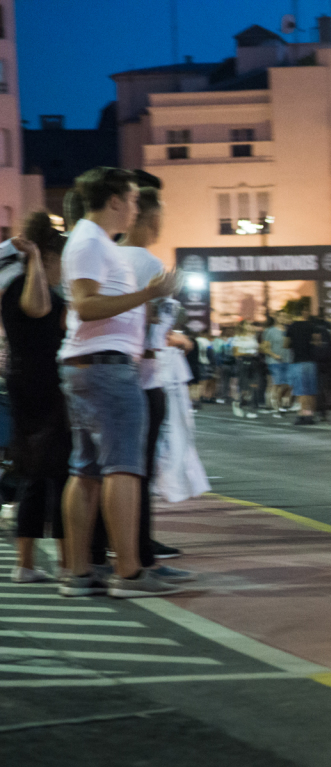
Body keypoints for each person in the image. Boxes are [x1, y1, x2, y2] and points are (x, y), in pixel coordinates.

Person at [58, 167, 181, 598]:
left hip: (89, 366)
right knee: (123, 468)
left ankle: (78, 572)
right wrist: (149, 294)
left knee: (86, 471)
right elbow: (86, 305)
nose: (136, 208)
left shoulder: (91, 241)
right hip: (106, 369)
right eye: (130, 200)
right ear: (113, 201)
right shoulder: (91, 241)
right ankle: (127, 572)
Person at [88, 185, 197, 582]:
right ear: (152, 219)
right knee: (135, 471)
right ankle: (139, 555)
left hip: (112, 370)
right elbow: (150, 321)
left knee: (98, 470)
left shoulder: (112, 255)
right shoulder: (147, 262)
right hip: (143, 377)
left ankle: (101, 553)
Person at [1, 213, 70, 582]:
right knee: (56, 473)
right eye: (61, 262)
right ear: (49, 258)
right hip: (42, 384)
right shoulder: (26, 286)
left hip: (26, 382)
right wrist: (37, 263)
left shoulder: (14, 282)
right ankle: (63, 563)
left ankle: (26, 564)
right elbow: (39, 309)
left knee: (32, 472)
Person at [285, 297, 321, 425]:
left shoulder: (292, 327)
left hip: (298, 361)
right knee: (311, 389)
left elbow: (286, 344)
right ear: (305, 311)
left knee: (301, 390)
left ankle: (302, 413)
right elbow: (317, 342)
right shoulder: (313, 326)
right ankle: (310, 414)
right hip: (311, 361)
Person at [230, 321, 260, 418]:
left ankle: (251, 409)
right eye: (247, 324)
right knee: (244, 387)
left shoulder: (253, 336)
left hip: (254, 362)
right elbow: (236, 353)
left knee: (254, 385)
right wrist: (248, 354)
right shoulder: (238, 337)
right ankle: (237, 404)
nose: (249, 326)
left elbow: (257, 349)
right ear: (242, 326)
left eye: (250, 324)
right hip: (243, 362)